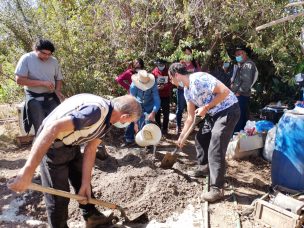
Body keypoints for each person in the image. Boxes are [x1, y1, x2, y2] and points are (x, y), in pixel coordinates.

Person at [8, 94, 142, 227]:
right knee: (58, 197)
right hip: (52, 145)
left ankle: (91, 216)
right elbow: (52, 128)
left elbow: (91, 148)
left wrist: (85, 182)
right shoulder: (95, 112)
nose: (125, 124)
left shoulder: (108, 119)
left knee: (83, 183)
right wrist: (28, 171)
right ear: (124, 117)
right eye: (129, 122)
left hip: (72, 142)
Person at [168, 63, 240, 203]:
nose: (171, 82)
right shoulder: (186, 90)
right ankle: (204, 168)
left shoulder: (199, 78)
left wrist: (206, 107)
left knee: (215, 147)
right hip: (212, 114)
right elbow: (190, 117)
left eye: (171, 78)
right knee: (201, 138)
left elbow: (224, 91)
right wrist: (182, 136)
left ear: (176, 75)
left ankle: (216, 189)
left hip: (228, 110)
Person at [15, 39, 64, 134]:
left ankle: (57, 146)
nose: (47, 56)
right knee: (40, 125)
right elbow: (19, 80)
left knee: (56, 121)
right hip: (34, 97)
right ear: (36, 49)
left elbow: (58, 79)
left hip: (51, 96)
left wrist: (58, 91)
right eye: (44, 53)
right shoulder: (26, 58)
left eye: (49, 54)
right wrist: (42, 83)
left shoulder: (53, 61)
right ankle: (42, 146)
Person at [123, 70, 160, 147]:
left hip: (149, 106)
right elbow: (132, 100)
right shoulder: (133, 85)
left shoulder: (153, 85)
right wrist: (135, 120)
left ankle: (148, 143)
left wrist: (153, 112)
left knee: (147, 122)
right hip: (137, 104)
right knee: (131, 120)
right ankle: (129, 139)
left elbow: (157, 100)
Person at [231, 47, 258, 132]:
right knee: (241, 117)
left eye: (239, 54)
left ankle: (236, 137)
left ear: (245, 54)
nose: (237, 56)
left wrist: (238, 92)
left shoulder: (248, 65)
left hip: (241, 95)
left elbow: (247, 82)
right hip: (240, 95)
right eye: (236, 55)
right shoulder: (242, 64)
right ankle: (239, 138)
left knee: (238, 118)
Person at [176, 47, 202, 134]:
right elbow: (176, 78)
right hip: (181, 90)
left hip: (192, 91)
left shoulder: (195, 64)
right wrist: (182, 85)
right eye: (185, 54)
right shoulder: (180, 65)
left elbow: (199, 76)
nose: (187, 56)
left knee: (191, 109)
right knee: (180, 109)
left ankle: (191, 127)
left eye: (189, 54)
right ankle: (178, 126)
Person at [152, 59, 173, 136]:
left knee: (166, 113)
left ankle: (164, 129)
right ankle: (158, 128)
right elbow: (151, 82)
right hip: (157, 96)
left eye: (162, 64)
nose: (160, 66)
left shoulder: (168, 71)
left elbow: (171, 82)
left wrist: (164, 86)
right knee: (157, 113)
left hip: (166, 95)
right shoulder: (154, 72)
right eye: (159, 65)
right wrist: (156, 87)